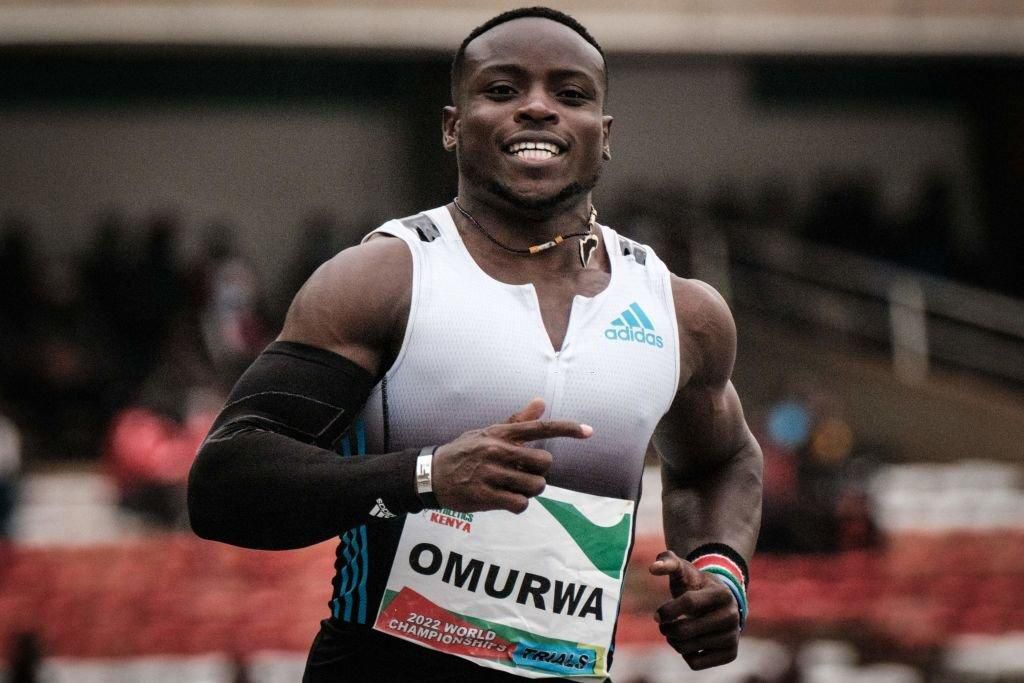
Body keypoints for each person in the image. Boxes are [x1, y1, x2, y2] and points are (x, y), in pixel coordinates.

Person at [188, 7, 762, 681]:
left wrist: (723, 574)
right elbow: (223, 484)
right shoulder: (384, 279)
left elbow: (722, 459)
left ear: (603, 135)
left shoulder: (680, 312)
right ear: (453, 126)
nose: (539, 109)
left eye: (570, 95)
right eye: (502, 90)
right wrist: (425, 476)